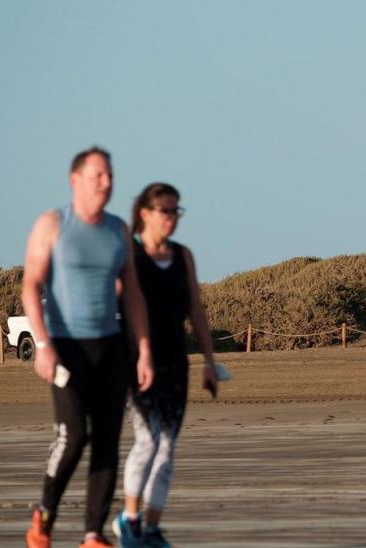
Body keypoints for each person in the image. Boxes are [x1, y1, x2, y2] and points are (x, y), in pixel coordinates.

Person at [23, 147, 155, 548]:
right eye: (98, 175)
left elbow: (131, 292)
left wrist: (144, 349)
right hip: (66, 347)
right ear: (75, 179)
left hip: (110, 347)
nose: (107, 182)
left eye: (110, 175)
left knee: (108, 441)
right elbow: (30, 285)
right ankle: (44, 516)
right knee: (74, 434)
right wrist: (43, 344)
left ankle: (93, 534)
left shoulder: (118, 230)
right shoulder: (53, 224)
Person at [112, 182, 220, 548]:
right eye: (166, 211)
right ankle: (129, 520)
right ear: (146, 213)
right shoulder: (129, 254)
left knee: (168, 446)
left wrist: (209, 361)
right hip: (135, 361)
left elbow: (196, 309)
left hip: (175, 361)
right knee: (148, 440)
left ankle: (152, 527)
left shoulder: (182, 255)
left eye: (177, 211)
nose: (173, 218)